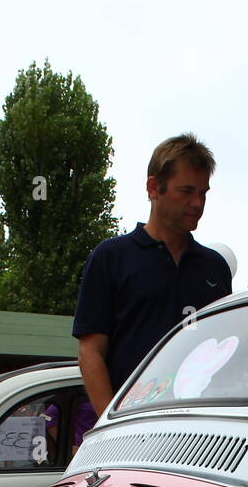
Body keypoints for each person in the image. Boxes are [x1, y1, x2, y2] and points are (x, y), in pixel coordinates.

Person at [73, 133, 233, 415]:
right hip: (129, 427)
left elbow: (222, 354)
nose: (197, 203)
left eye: (203, 193)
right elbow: (90, 351)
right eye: (186, 191)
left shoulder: (215, 267)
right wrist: (109, 426)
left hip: (198, 428)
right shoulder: (111, 257)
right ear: (153, 187)